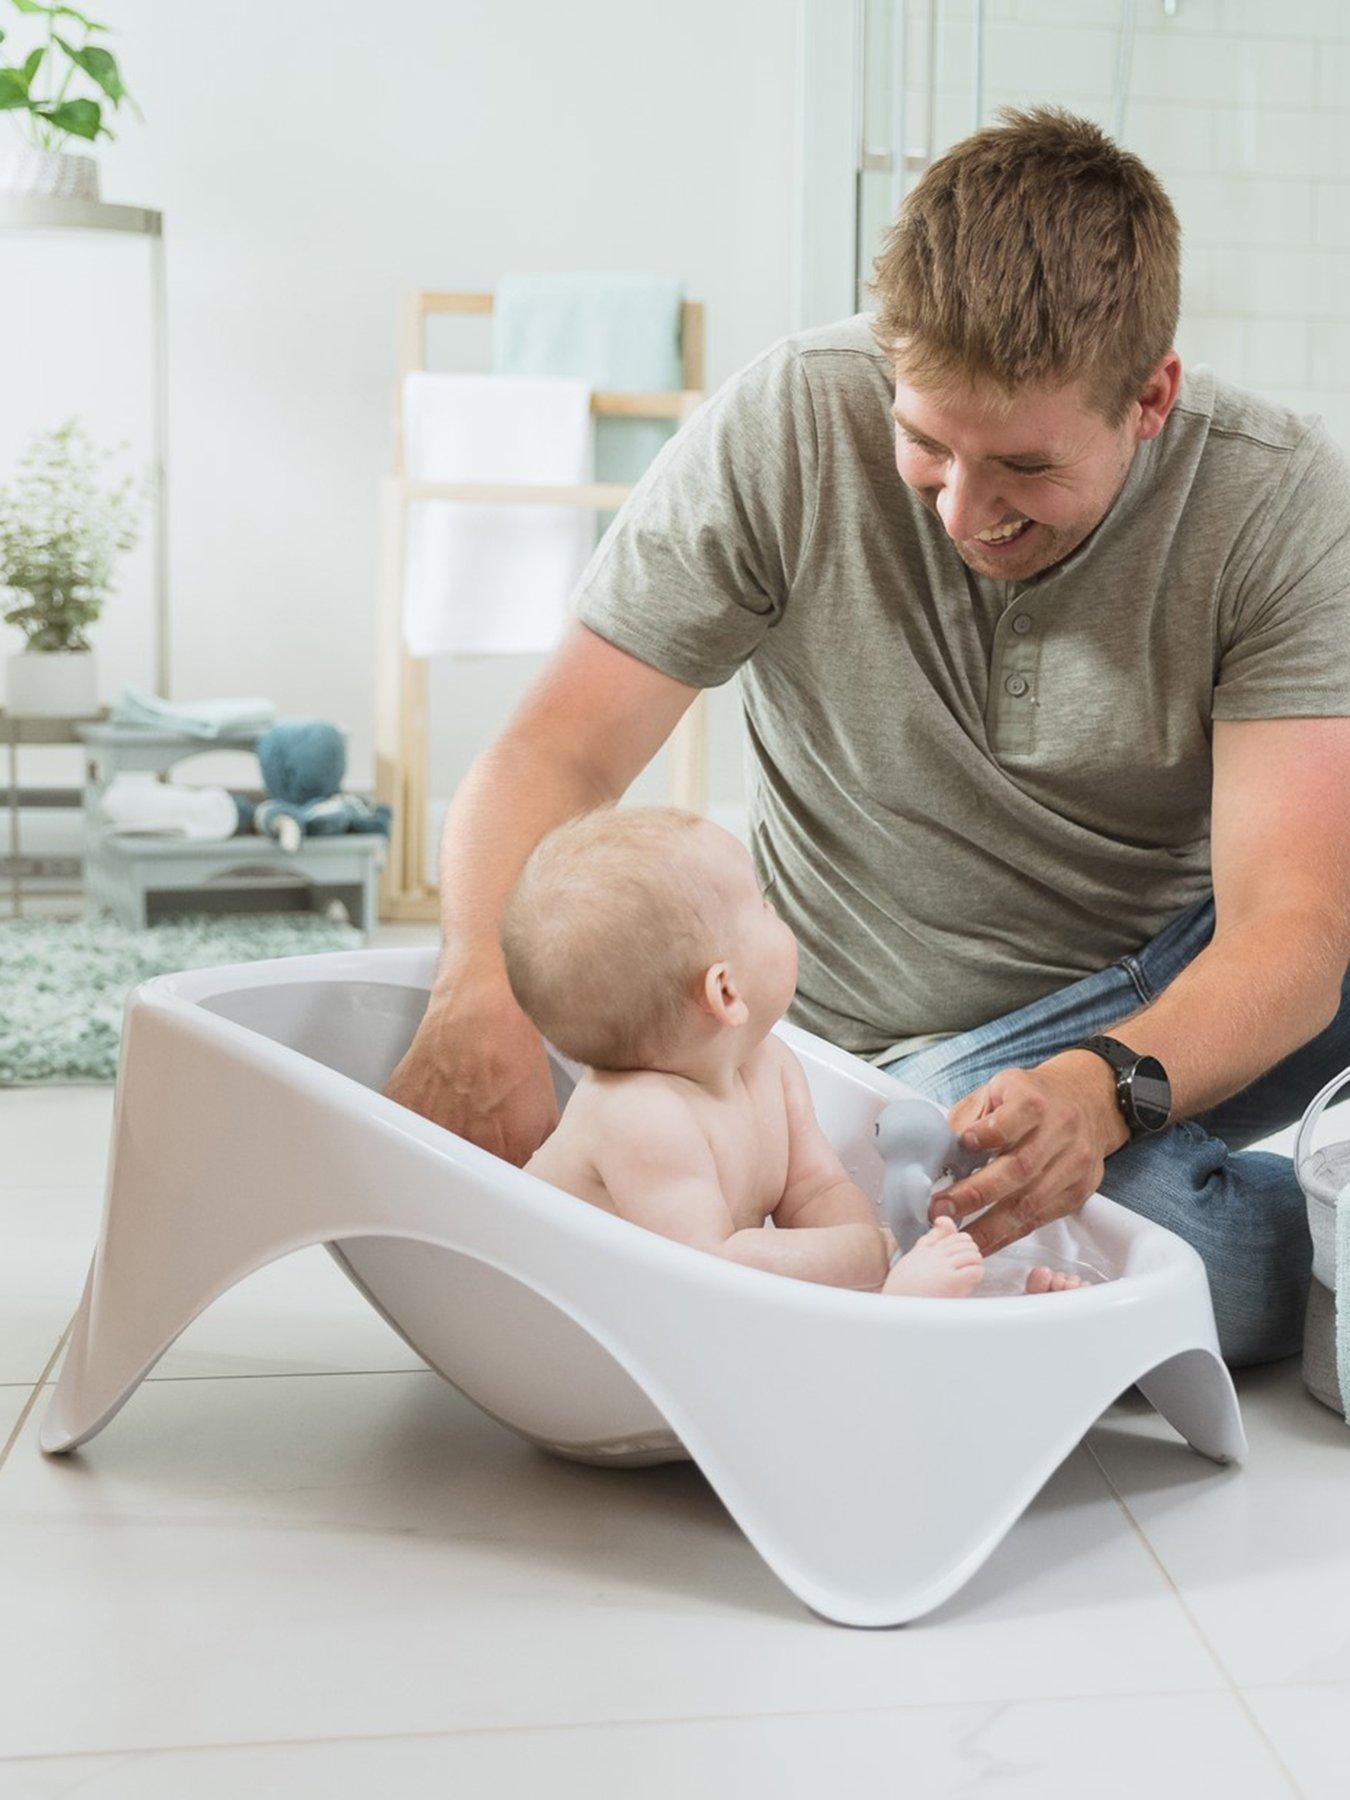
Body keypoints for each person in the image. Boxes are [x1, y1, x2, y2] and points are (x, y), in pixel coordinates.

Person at [386, 106, 1350, 1366]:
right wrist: (483, 991)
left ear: (1152, 396)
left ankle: (1178, 1151)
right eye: (925, 444)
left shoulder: (1274, 501)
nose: (964, 508)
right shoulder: (788, 424)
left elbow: (1291, 925)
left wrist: (1109, 1088)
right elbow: (555, 755)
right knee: (1163, 1262)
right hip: (906, 1050)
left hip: (1173, 975)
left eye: (1021, 466)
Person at [502, 803, 1084, 1297]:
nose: (778, 912)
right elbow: (711, 1273)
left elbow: (818, 1190)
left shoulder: (769, 1064)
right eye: (764, 904)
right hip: (584, 1314)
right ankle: (942, 1323)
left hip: (691, 1313)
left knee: (885, 1272)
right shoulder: (639, 1116)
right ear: (725, 990)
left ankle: (993, 1316)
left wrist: (888, 1255)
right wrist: (878, 1258)